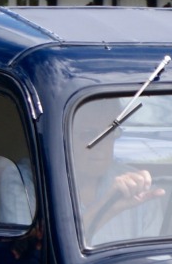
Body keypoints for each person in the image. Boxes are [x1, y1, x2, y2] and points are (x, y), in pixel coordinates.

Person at [70, 101, 163, 246]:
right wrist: (108, 208)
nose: (102, 145)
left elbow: (150, 260)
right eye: (90, 134)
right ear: (64, 135)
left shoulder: (139, 189)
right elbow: (38, 251)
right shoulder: (28, 185)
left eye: (110, 133)